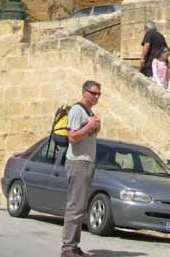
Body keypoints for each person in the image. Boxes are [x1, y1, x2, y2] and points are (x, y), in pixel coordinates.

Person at [61, 80, 102, 257]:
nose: (96, 97)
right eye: (93, 93)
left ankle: (74, 246)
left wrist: (95, 126)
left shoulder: (89, 112)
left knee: (79, 207)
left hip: (87, 163)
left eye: (98, 94)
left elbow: (87, 135)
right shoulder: (77, 110)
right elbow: (72, 137)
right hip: (78, 163)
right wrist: (90, 126)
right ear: (84, 92)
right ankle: (67, 248)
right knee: (75, 207)